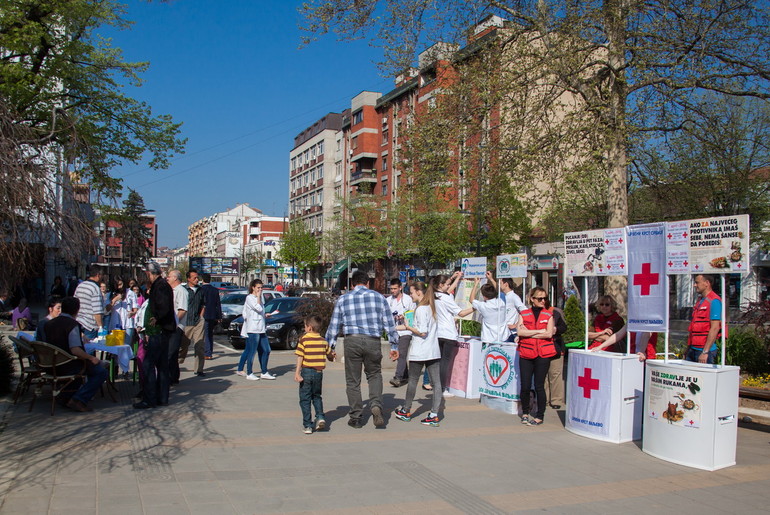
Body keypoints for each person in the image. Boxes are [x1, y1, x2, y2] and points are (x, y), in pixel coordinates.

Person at [325, 270, 399, 429]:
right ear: (368, 283)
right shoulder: (379, 298)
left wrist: (329, 347)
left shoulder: (343, 299)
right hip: (373, 341)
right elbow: (389, 324)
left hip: (352, 340)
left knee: (353, 380)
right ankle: (376, 405)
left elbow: (334, 325)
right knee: (374, 374)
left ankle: (356, 417)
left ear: (352, 285)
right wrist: (394, 345)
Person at [43, 296, 108, 412]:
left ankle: (66, 396)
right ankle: (79, 399)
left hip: (51, 364)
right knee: (101, 372)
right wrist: (91, 357)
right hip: (68, 364)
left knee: (90, 366)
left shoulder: (49, 324)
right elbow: (75, 350)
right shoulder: (72, 324)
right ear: (77, 310)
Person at [394, 281, 443, 426]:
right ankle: (434, 414)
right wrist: (398, 327)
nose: (411, 295)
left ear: (419, 292)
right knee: (437, 383)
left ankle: (406, 410)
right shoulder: (431, 307)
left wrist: (408, 327)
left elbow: (422, 331)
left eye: (412, 292)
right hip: (432, 351)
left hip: (420, 350)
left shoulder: (421, 309)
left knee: (413, 381)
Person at [134, 261, 175, 409]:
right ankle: (161, 397)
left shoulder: (161, 286)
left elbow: (164, 307)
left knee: (148, 364)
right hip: (161, 330)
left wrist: (156, 317)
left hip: (159, 331)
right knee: (161, 365)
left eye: (146, 274)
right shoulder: (160, 285)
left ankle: (150, 398)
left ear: (150, 273)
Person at [516, 287, 557, 426]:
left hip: (543, 354)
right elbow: (520, 332)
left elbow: (549, 334)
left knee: (539, 385)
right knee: (525, 385)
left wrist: (531, 332)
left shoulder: (548, 315)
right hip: (526, 353)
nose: (542, 301)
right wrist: (539, 331)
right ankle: (525, 412)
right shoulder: (524, 313)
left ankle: (540, 415)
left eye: (544, 298)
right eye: (539, 298)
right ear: (532, 299)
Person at [294, 315, 334, 434]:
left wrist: (297, 372)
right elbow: (330, 356)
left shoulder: (304, 340)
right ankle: (320, 417)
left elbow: (300, 356)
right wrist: (333, 355)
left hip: (306, 372)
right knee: (316, 396)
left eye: (305, 326)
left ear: (310, 328)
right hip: (318, 373)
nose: (304, 328)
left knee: (305, 399)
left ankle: (307, 425)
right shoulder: (323, 341)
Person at [431, 271, 464, 398]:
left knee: (438, 362)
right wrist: (477, 306)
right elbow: (460, 313)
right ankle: (442, 388)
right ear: (440, 285)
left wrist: (455, 278)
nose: (448, 286)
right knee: (445, 363)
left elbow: (448, 289)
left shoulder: (435, 295)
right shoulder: (444, 297)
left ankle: (436, 386)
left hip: (438, 333)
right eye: (446, 284)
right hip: (448, 334)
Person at [458, 273, 508, 343]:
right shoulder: (502, 302)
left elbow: (471, 300)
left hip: (488, 339)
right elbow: (500, 291)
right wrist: (491, 278)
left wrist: (475, 284)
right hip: (503, 338)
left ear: (484, 297)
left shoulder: (484, 306)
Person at [236, 279, 269, 380]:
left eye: (261, 288)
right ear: (253, 287)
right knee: (251, 351)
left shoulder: (260, 298)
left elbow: (261, 310)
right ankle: (248, 372)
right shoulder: (249, 298)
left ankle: (264, 371)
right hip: (253, 329)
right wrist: (259, 297)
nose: (260, 290)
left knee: (266, 350)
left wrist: (265, 314)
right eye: (258, 288)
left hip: (261, 328)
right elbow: (258, 308)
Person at [686, 274, 722, 364]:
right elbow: (694, 327)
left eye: (697, 282)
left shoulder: (714, 301)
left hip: (704, 351)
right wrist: (688, 349)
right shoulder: (700, 300)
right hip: (692, 349)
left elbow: (715, 328)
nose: (695, 285)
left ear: (707, 283)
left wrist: (705, 352)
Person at [387, 278, 416, 387]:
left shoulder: (408, 299)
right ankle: (405, 376)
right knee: (399, 355)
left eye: (395, 289)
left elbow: (413, 314)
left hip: (406, 330)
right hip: (394, 331)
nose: (393, 291)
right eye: (391, 289)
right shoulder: (388, 300)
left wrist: (404, 316)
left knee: (402, 353)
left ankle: (398, 377)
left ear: (400, 288)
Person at [180, 270, 207, 377]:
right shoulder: (183, 290)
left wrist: (201, 317)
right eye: (194, 278)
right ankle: (176, 363)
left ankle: (199, 369)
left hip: (198, 321)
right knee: (183, 346)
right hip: (186, 322)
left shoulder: (201, 290)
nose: (197, 280)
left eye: (197, 277)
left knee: (199, 345)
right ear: (188, 279)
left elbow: (203, 305)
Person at [544, 297, 568, 410]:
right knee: (543, 375)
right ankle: (544, 399)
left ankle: (556, 400)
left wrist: (555, 329)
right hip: (540, 348)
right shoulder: (532, 313)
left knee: (555, 374)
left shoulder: (555, 312)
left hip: (555, 347)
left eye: (542, 298)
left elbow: (564, 327)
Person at [74, 265, 107, 340]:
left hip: (79, 322)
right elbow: (97, 311)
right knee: (89, 349)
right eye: (102, 275)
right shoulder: (95, 288)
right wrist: (100, 327)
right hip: (90, 326)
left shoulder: (80, 286)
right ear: (98, 275)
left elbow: (74, 304)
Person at [167, 270, 188, 385]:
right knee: (172, 354)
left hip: (176, 327)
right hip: (170, 326)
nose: (167, 278)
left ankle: (171, 377)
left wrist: (173, 323)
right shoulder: (172, 290)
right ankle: (173, 377)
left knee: (171, 353)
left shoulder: (181, 291)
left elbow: (182, 310)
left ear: (175, 278)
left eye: (169, 276)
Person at [199, 273, 222, 360]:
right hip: (212, 315)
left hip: (203, 314)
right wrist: (219, 316)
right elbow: (218, 304)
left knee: (205, 334)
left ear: (202, 280)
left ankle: (207, 353)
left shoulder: (200, 289)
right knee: (210, 334)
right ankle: (209, 351)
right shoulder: (215, 290)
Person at [498, 276, 526, 342]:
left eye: (500, 283)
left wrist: (516, 325)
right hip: (503, 332)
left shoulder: (514, 297)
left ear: (506, 284)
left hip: (512, 334)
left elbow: (524, 311)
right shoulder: (503, 296)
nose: (499, 285)